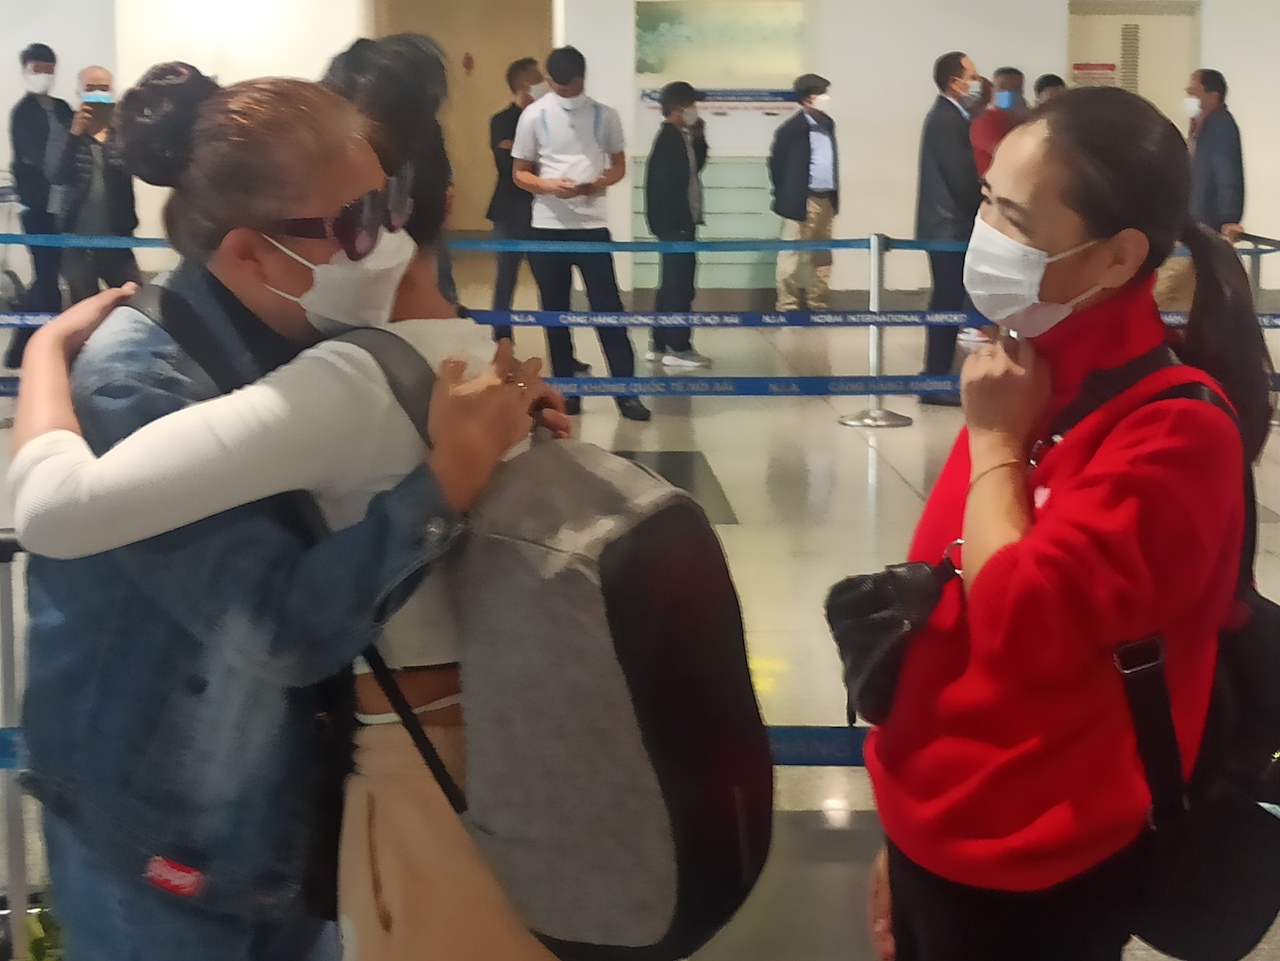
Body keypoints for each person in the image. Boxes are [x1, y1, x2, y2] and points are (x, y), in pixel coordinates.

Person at [9, 61, 557, 961]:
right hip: (169, 844)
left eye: (389, 202)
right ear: (250, 254)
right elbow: (275, 627)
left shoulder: (313, 333)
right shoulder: (141, 382)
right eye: (353, 223)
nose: (385, 242)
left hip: (288, 810)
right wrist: (444, 480)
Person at [868, 86, 1269, 961]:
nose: (986, 235)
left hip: (1038, 858)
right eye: (986, 202)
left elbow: (1018, 623)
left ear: (1117, 257)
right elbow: (943, 600)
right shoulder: (1024, 375)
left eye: (1014, 219)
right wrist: (904, 829)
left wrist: (995, 445)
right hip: (938, 820)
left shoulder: (1174, 433)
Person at [512, 45, 649, 422]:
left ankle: (627, 393)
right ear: (550, 81)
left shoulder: (605, 115)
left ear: (583, 79)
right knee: (556, 315)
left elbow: (619, 166)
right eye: (560, 87)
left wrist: (597, 183)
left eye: (572, 87)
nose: (567, 94)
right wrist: (548, 185)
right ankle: (567, 393)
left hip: (592, 227)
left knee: (609, 311)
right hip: (548, 227)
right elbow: (519, 173)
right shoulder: (534, 115)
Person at [916, 51, 983, 403]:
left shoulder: (953, 116)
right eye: (972, 77)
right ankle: (935, 380)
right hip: (948, 227)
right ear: (955, 83)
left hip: (948, 226)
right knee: (946, 300)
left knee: (950, 298)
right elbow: (961, 179)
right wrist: (987, 203)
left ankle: (938, 375)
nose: (977, 83)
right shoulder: (946, 119)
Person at [48, 66, 142, 302]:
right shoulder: (64, 127)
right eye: (90, 88)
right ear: (79, 92)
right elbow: (55, 174)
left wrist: (120, 126)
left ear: (113, 91)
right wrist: (74, 135)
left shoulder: (122, 131)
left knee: (134, 301)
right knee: (85, 308)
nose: (98, 93)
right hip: (76, 240)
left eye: (103, 88)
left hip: (117, 238)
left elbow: (138, 167)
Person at [6, 43, 73, 368]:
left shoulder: (62, 108)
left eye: (49, 68)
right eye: (37, 68)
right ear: (25, 70)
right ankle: (29, 348)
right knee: (46, 276)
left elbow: (75, 150)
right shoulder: (22, 113)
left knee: (49, 276)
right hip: (36, 207)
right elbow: (34, 159)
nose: (44, 74)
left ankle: (29, 346)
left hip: (66, 205)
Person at [1156, 69, 1245, 311]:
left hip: (1205, 227)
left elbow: (1227, 172)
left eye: (1193, 91)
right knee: (1184, 297)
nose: (1188, 95)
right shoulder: (1201, 126)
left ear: (1212, 95)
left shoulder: (1220, 126)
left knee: (1166, 294)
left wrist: (1229, 218)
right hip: (1193, 227)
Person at [645, 80, 711, 368]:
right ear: (677, 108)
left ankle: (660, 343)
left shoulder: (682, 137)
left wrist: (699, 138)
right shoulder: (668, 140)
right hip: (676, 225)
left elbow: (696, 167)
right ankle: (677, 346)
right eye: (691, 104)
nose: (695, 110)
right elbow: (665, 188)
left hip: (680, 223)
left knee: (672, 284)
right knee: (679, 287)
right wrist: (679, 223)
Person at [487, 57, 548, 342]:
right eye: (538, 79)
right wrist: (532, 159)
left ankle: (561, 350)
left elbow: (549, 164)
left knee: (549, 283)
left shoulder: (547, 119)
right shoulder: (501, 121)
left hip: (544, 213)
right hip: (509, 212)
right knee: (505, 280)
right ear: (523, 85)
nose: (545, 84)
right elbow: (507, 167)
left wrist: (520, 154)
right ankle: (502, 342)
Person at [768, 73, 839, 313]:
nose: (826, 98)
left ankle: (817, 302)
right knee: (791, 254)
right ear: (808, 99)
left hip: (826, 198)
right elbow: (776, 165)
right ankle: (787, 304)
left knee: (822, 255)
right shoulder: (790, 130)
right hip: (801, 200)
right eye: (821, 94)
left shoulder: (828, 124)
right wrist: (787, 193)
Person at [970, 67, 1026, 177]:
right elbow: (1005, 155)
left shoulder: (1025, 120)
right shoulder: (984, 120)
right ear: (993, 90)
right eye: (1002, 87)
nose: (1008, 92)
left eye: (1015, 88)